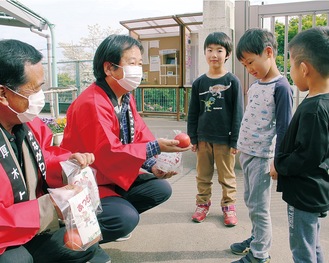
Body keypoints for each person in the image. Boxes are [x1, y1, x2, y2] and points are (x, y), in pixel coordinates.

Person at [60, 34, 191, 245]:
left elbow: (138, 134)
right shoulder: (92, 102)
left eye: (140, 63)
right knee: (126, 218)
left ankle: (112, 213)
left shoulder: (124, 96)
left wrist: (152, 164)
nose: (138, 69)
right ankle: (72, 236)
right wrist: (155, 147)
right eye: (132, 63)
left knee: (160, 188)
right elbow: (107, 151)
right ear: (109, 68)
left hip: (109, 174)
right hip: (87, 180)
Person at [0, 39, 110, 263]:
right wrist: (49, 207)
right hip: (9, 232)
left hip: (32, 222)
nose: (40, 96)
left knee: (86, 242)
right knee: (17, 260)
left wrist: (69, 163)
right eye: (34, 89)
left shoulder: (26, 122)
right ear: (3, 93)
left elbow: (44, 156)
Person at [230, 28, 293, 263]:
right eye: (245, 65)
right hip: (247, 153)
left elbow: (284, 128)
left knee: (259, 206)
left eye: (250, 62)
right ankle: (257, 238)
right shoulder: (256, 85)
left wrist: (278, 160)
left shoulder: (282, 87)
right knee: (250, 201)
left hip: (262, 156)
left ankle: (260, 254)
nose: (249, 69)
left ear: (268, 52)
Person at [273, 26, 329, 263]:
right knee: (311, 243)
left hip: (304, 194)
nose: (291, 72)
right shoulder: (321, 101)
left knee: (301, 248)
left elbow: (306, 156)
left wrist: (281, 165)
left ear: (304, 68)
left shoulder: (314, 109)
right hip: (315, 189)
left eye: (292, 65)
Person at [187, 32, 244, 226]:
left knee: (227, 176)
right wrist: (192, 138)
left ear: (227, 54)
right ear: (204, 53)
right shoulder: (199, 83)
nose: (214, 54)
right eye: (210, 50)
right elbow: (193, 112)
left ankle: (229, 207)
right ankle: (202, 205)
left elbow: (238, 113)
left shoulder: (232, 81)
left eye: (219, 50)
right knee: (203, 175)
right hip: (203, 139)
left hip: (224, 139)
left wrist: (235, 140)